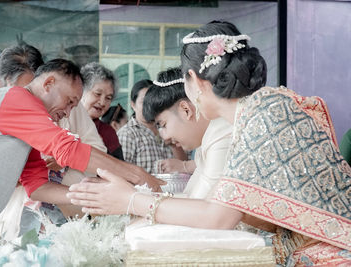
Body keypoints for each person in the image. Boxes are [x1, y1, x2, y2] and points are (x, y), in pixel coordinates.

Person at [68, 21, 351, 265]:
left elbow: (218, 217)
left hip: (332, 254)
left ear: (193, 80)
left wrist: (131, 200)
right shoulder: (254, 113)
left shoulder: (263, 112)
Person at [0, 58, 161, 264]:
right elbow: (69, 150)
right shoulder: (16, 100)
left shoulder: (25, 126)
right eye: (69, 102)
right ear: (48, 83)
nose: (67, 113)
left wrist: (91, 196)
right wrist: (138, 175)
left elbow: (37, 186)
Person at [143, 67, 232, 198]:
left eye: (163, 125)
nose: (165, 137)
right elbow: (190, 196)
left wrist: (137, 200)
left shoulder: (221, 133)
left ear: (186, 110)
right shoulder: (206, 143)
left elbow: (201, 207)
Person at [118, 79, 188, 173]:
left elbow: (186, 167)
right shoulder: (127, 134)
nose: (149, 106)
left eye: (151, 101)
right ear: (133, 105)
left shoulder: (169, 126)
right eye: (143, 102)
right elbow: (121, 172)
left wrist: (173, 145)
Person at [81, 62, 124, 160]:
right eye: (97, 94)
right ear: (82, 90)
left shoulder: (108, 133)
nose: (102, 102)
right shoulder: (63, 121)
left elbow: (119, 167)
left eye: (108, 98)